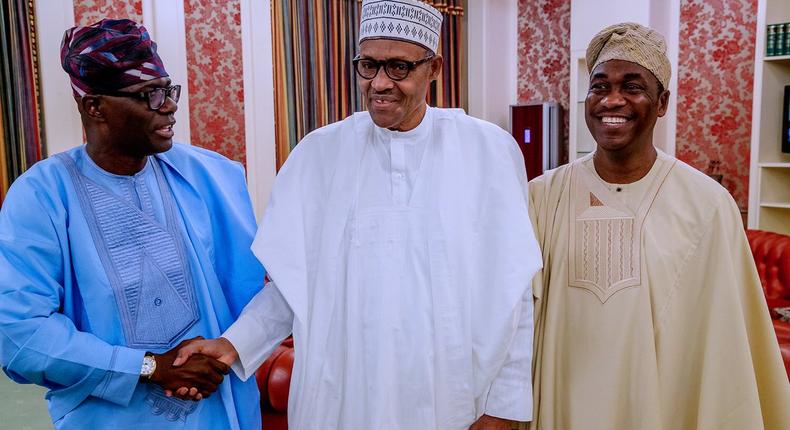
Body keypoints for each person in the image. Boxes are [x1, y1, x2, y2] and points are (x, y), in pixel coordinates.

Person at [173, 0, 542, 428]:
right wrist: (234, 344)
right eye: (368, 65)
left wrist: (505, 404)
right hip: (344, 396)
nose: (380, 83)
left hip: (453, 397)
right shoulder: (318, 155)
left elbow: (514, 290)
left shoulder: (487, 152)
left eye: (399, 68)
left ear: (435, 68)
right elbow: (293, 287)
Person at [0, 19, 264, 429]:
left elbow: (254, 294)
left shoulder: (212, 176)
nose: (169, 105)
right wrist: (149, 368)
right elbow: (19, 334)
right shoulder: (41, 197)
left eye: (168, 90)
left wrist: (225, 349)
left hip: (220, 408)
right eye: (148, 95)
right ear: (95, 107)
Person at [528, 22, 790, 430]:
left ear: (662, 102)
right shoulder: (543, 197)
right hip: (564, 404)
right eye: (599, 86)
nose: (612, 100)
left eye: (632, 87)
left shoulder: (707, 205)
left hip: (662, 408)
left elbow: (723, 344)